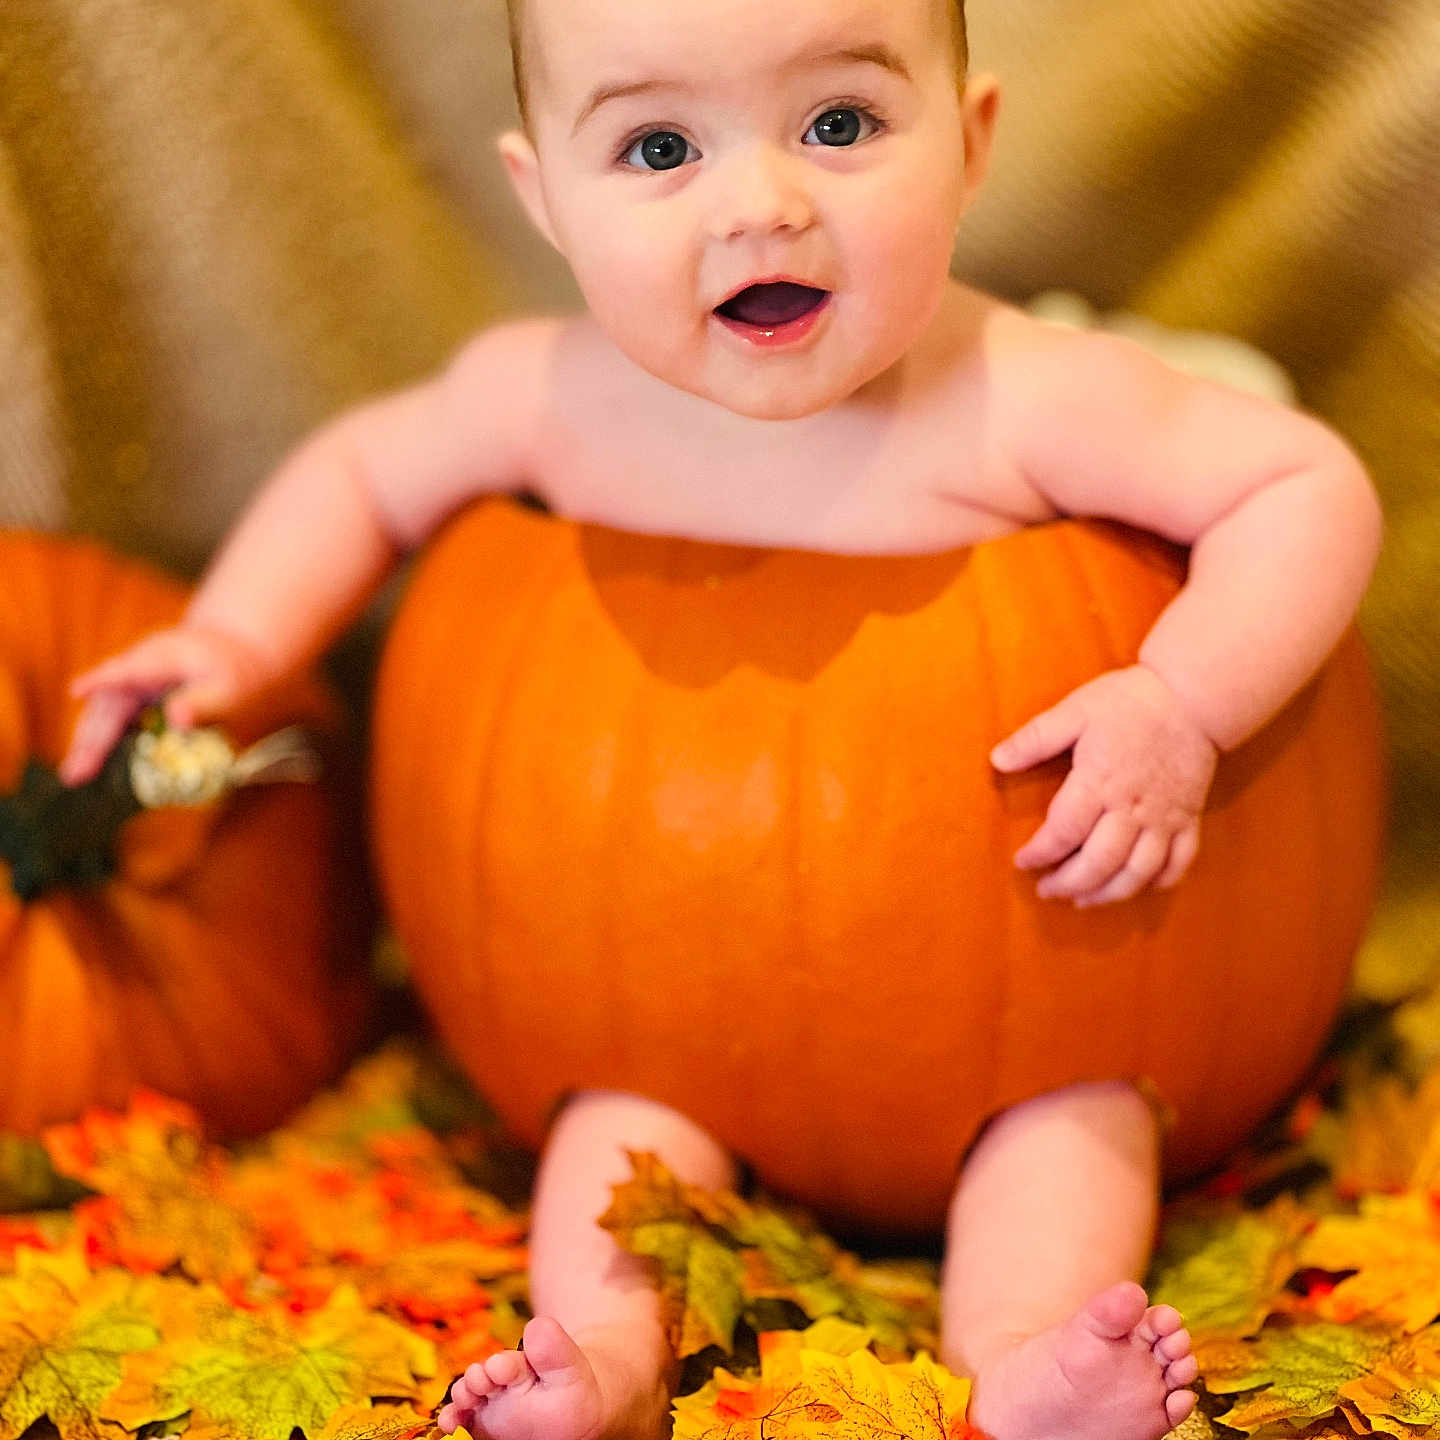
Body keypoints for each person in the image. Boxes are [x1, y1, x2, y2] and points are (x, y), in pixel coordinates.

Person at [59, 0, 1383, 1434]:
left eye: (839, 124)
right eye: (659, 148)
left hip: (1034, 1005)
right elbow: (366, 476)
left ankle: (1026, 1355)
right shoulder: (554, 398)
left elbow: (1301, 486)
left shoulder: (1027, 398)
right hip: (669, 1020)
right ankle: (606, 1361)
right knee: (614, 1136)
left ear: (970, 142)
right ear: (545, 200)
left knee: (1072, 1128)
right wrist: (239, 637)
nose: (762, 204)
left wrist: (1182, 697)